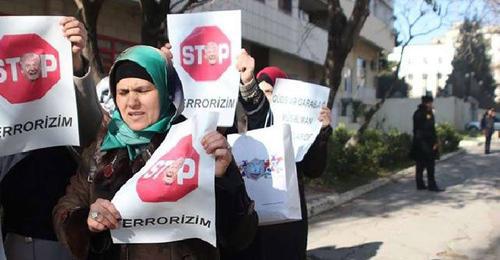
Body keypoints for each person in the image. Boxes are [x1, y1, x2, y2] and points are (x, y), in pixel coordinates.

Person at [52, 45, 257, 259]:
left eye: (142, 90)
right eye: (123, 92)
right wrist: (87, 221)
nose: (131, 102)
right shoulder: (102, 149)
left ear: (165, 91)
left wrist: (223, 179)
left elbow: (241, 236)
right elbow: (65, 210)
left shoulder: (198, 143)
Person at [0, 17, 102, 260]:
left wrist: (76, 62)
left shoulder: (63, 113)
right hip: (18, 239)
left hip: (70, 241)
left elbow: (91, 129)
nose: (29, 72)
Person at [230, 52, 333, 260]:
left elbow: (315, 169)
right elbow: (258, 114)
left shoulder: (301, 130)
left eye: (270, 92)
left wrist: (321, 132)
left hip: (288, 222)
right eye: (262, 93)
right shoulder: (245, 125)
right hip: (254, 217)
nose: (266, 98)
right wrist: (249, 83)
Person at [410, 95, 443, 192]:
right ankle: (432, 185)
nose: (432, 104)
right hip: (426, 143)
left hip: (418, 142)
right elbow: (429, 129)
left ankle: (420, 184)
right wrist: (434, 142)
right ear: (427, 103)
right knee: (430, 165)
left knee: (420, 164)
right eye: (431, 103)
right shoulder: (426, 114)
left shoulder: (417, 113)